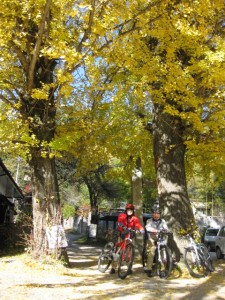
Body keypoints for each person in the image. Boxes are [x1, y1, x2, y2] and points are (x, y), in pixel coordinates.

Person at [110, 203, 145, 274]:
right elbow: (119, 222)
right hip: (122, 234)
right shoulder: (122, 215)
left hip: (130, 235)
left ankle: (129, 268)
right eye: (128, 210)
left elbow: (138, 224)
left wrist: (141, 229)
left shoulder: (134, 218)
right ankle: (113, 268)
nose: (129, 211)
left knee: (129, 252)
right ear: (126, 210)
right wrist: (122, 227)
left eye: (131, 210)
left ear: (133, 211)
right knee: (118, 251)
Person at [145, 202, 169, 277]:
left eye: (158, 213)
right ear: (152, 214)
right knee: (152, 250)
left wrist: (166, 230)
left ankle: (162, 269)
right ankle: (149, 268)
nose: (156, 215)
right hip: (152, 238)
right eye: (155, 213)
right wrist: (153, 230)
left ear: (160, 214)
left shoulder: (163, 221)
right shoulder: (149, 221)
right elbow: (147, 227)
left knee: (162, 251)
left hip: (161, 239)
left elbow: (166, 228)